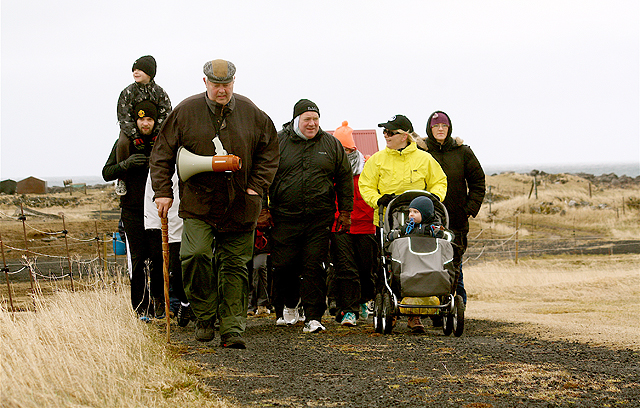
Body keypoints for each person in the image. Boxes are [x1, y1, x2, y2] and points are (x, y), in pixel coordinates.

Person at [150, 59, 279, 349]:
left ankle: (232, 329)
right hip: (199, 204)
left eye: (227, 84)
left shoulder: (252, 113)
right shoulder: (185, 112)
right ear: (205, 82)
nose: (222, 90)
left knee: (235, 266)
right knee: (194, 255)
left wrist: (255, 187)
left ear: (234, 83)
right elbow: (161, 154)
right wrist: (163, 191)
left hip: (241, 206)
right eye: (216, 84)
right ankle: (205, 315)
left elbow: (270, 151)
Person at [263, 99, 353, 334]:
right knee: (284, 266)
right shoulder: (278, 142)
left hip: (319, 217)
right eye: (307, 120)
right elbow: (261, 177)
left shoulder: (331, 144)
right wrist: (263, 209)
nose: (312, 124)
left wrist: (345, 212)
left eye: (315, 119)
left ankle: (313, 317)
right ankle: (289, 305)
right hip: (284, 216)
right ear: (296, 121)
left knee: (314, 266)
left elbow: (344, 179)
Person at [358, 114, 447, 333]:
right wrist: (377, 200)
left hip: (419, 226)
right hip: (388, 223)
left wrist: (432, 201)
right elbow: (366, 184)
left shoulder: (425, 160)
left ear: (405, 135)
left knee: (415, 264)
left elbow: (440, 182)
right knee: (387, 267)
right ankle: (389, 310)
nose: (386, 136)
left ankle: (415, 316)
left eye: (391, 132)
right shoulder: (378, 160)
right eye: (385, 132)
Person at [418, 111, 485, 318]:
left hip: (456, 219)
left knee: (454, 265)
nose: (440, 129)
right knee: (430, 263)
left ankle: (456, 309)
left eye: (444, 126)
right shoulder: (421, 151)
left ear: (450, 128)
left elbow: (478, 182)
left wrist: (469, 210)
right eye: (436, 125)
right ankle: (434, 308)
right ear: (429, 128)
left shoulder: (463, 152)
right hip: (429, 221)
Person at [102, 100, 163, 321]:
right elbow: (106, 172)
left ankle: (160, 303)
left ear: (155, 121)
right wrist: (126, 164)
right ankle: (141, 310)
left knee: (158, 257)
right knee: (138, 260)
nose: (145, 123)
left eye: (149, 119)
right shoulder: (124, 143)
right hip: (132, 209)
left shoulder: (163, 142)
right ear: (135, 120)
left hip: (158, 209)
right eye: (141, 119)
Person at [329, 121, 377, 327]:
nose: (343, 153)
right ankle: (350, 310)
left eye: (347, 149)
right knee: (345, 268)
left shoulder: (368, 167)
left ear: (353, 148)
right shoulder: (330, 170)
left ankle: (364, 300)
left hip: (366, 225)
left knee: (366, 269)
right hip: (340, 225)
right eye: (339, 148)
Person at [115, 55, 172, 195]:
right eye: (134, 69)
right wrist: (134, 136)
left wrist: (157, 134)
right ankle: (121, 179)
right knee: (122, 143)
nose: (135, 72)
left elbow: (166, 115)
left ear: (150, 73)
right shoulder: (128, 92)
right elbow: (124, 115)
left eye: (140, 70)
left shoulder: (160, 93)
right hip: (132, 130)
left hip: (155, 131)